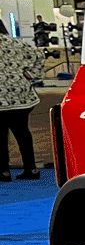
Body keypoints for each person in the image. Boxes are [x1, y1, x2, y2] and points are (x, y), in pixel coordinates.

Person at [0, 18, 46, 182]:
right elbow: (40, 55)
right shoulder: (17, 44)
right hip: (21, 96)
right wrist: (32, 75)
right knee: (23, 133)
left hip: (1, 99)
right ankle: (31, 169)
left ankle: (3, 171)